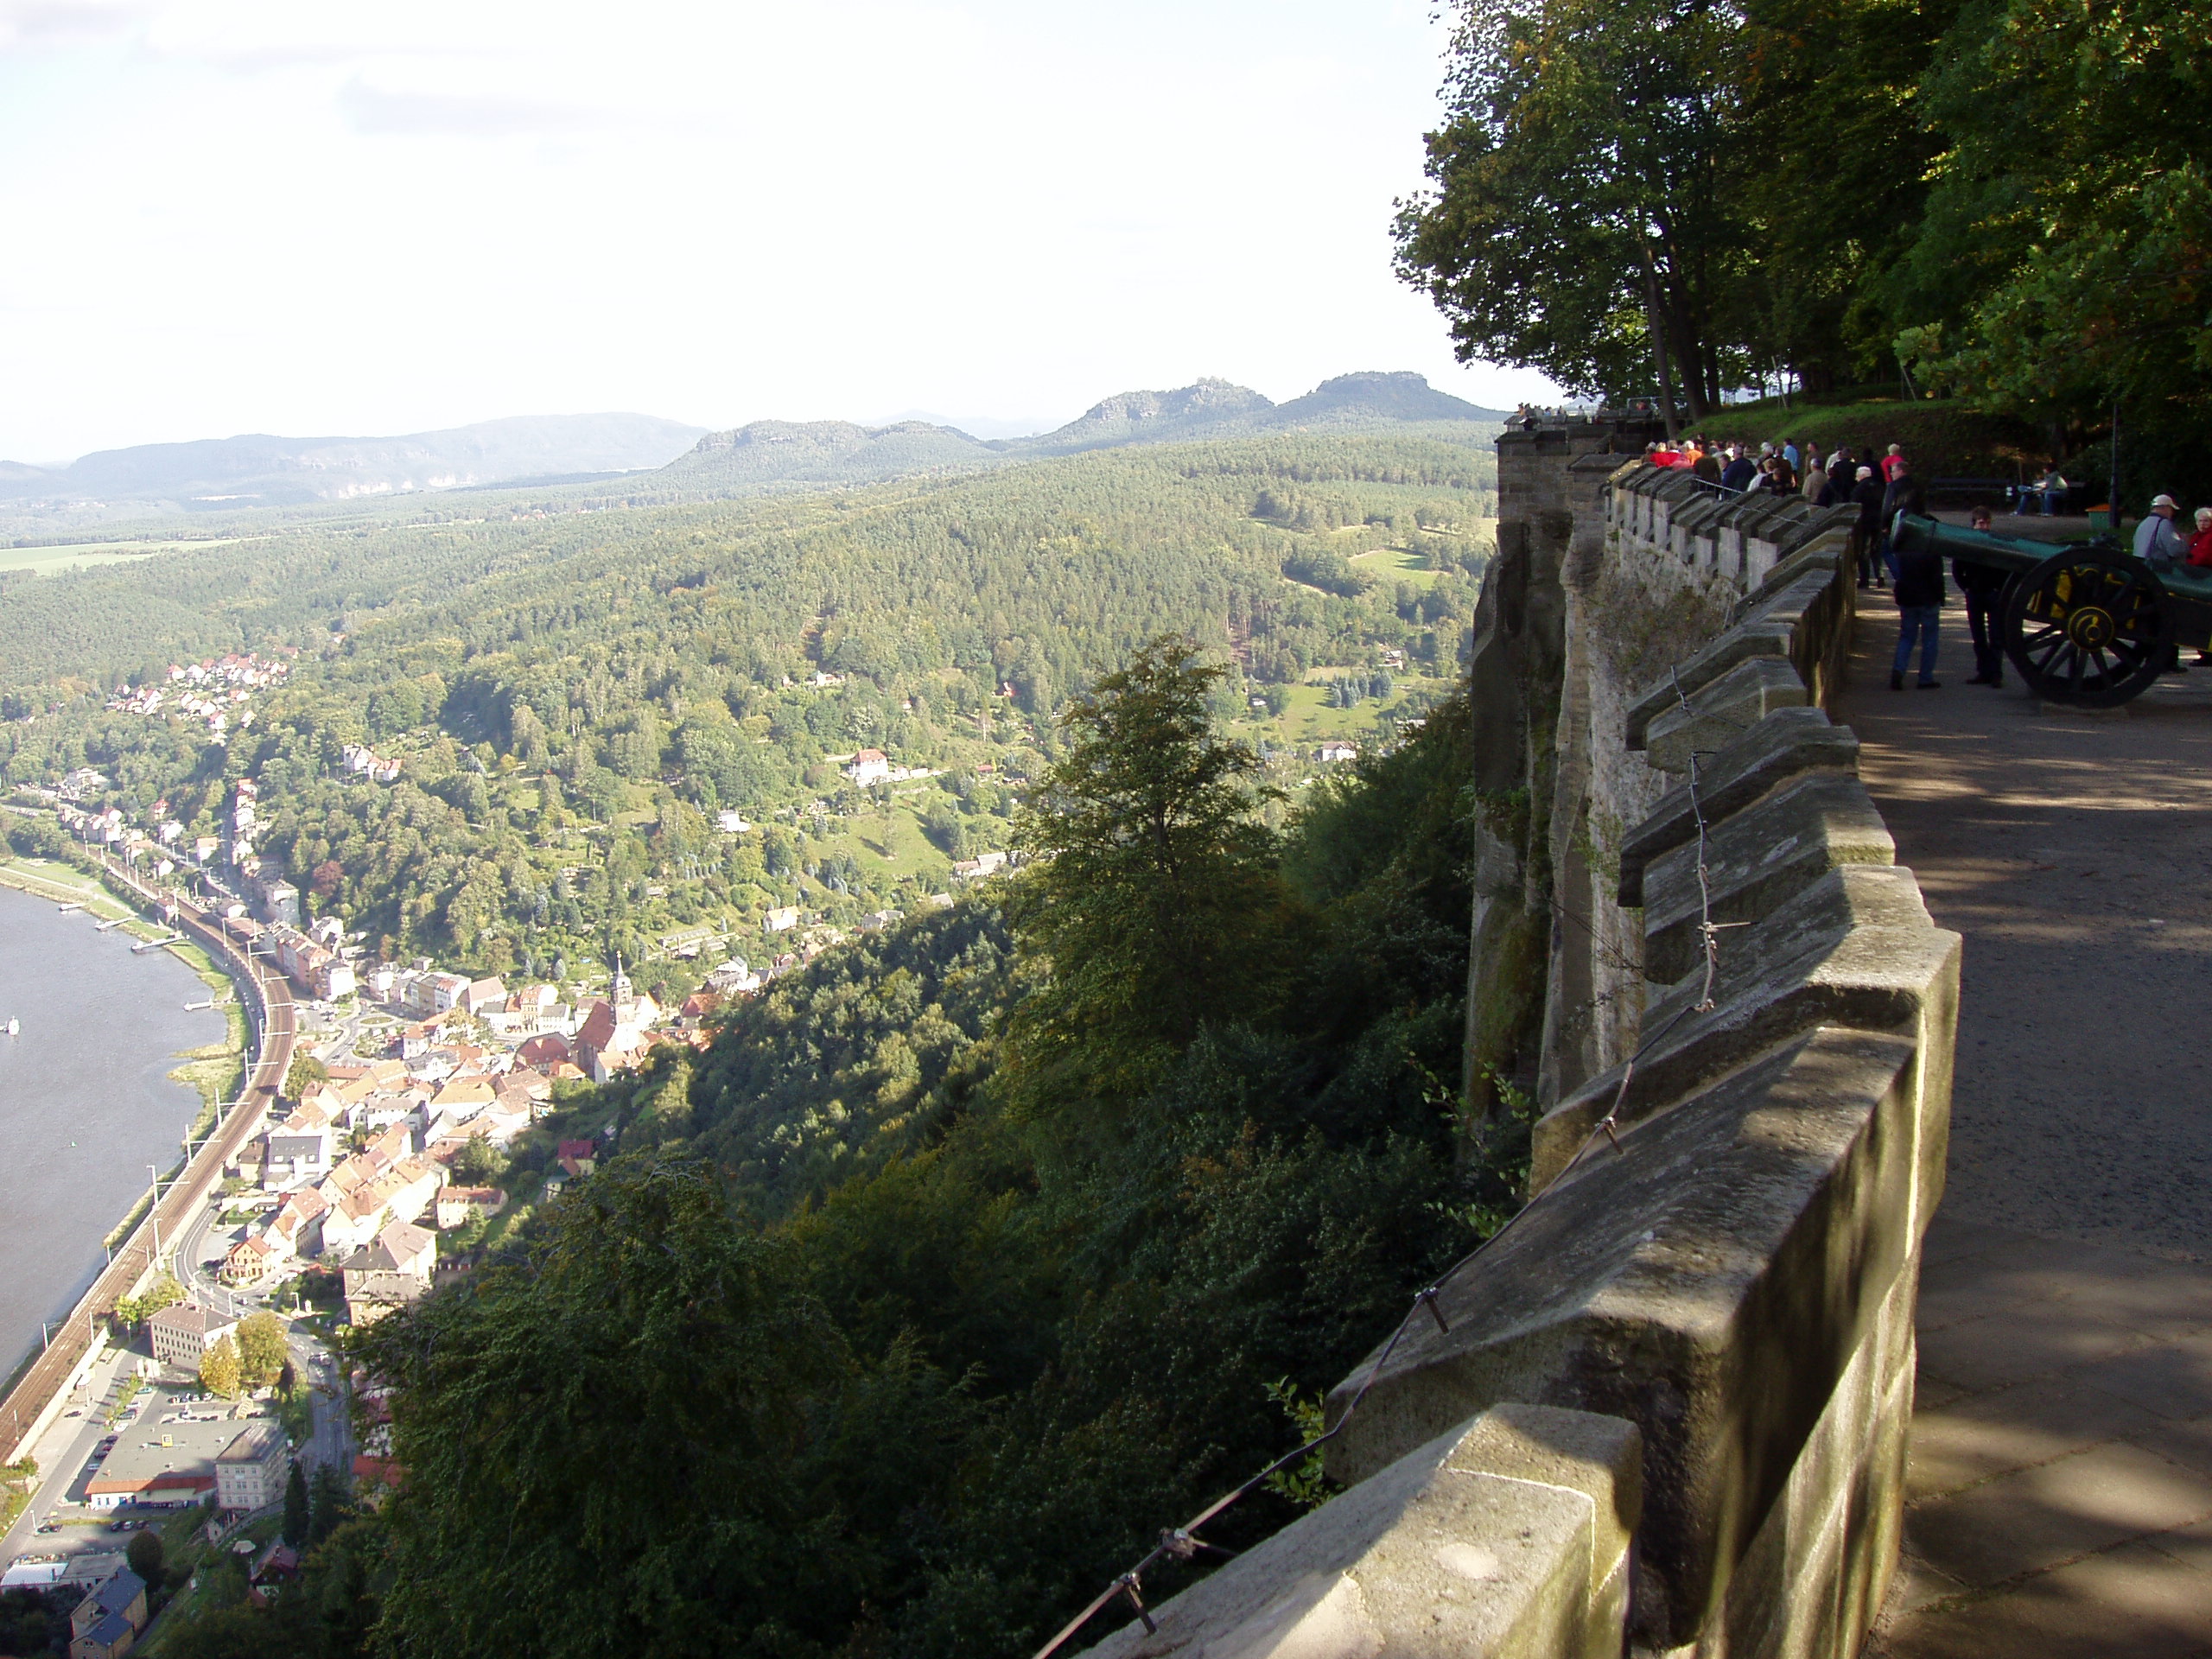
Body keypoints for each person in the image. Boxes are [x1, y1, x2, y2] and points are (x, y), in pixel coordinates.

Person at [1955, 507, 2009, 686]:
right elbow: (1957, 570)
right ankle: (1983, 672)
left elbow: (2005, 568)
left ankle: (1995, 674)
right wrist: (1967, 588)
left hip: (1992, 593)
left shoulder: (1995, 543)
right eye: (1981, 523)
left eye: (1987, 523)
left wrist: (1999, 589)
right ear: (1974, 524)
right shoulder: (1966, 545)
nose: (1985, 527)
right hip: (1975, 594)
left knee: (1996, 637)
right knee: (1978, 638)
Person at [1892, 517, 1946, 690]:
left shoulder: (1903, 551)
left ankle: (1899, 669)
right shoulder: (1931, 551)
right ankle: (1925, 677)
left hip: (1908, 598)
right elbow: (1937, 578)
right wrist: (1941, 597)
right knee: (1930, 639)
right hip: (1928, 598)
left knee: (1907, 637)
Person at [1879, 460, 1928, 582]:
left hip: (1898, 523)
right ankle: (1913, 576)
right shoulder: (1917, 485)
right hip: (1916, 522)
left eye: (1893, 471)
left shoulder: (1893, 486)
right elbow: (1922, 505)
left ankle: (1902, 577)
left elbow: (1888, 507)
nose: (1891, 474)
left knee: (1886, 549)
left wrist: (1884, 525)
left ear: (1901, 471)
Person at [1852, 465, 1887, 588]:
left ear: (1861, 476)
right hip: (1878, 521)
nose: (1856, 478)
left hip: (1865, 522)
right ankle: (1880, 576)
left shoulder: (1859, 489)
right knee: (1877, 550)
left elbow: (1854, 505)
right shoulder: (1880, 487)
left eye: (1857, 476)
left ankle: (1864, 579)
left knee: (1864, 551)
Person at [2133, 493, 2185, 569]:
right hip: (2157, 568)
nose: (2172, 513)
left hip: (2141, 566)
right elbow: (2175, 550)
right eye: (2171, 509)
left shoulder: (2143, 524)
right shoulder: (2164, 523)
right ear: (2165, 508)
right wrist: (2184, 543)